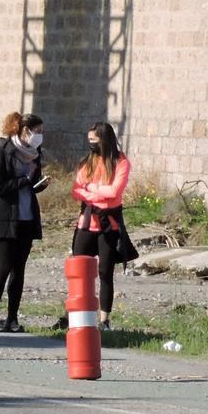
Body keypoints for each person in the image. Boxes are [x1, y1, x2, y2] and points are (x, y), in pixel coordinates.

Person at [0, 111, 47, 333]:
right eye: (38, 131)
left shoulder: (35, 152)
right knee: (4, 266)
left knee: (19, 269)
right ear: (25, 131)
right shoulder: (2, 149)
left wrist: (38, 184)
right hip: (4, 216)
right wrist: (24, 180)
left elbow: (30, 183)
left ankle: (12, 318)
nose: (40, 136)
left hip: (26, 216)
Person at [72, 121, 136, 322]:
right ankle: (74, 315)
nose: (91, 144)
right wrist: (98, 194)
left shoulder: (121, 162)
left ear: (104, 140)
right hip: (86, 223)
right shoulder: (87, 162)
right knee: (79, 271)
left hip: (109, 225)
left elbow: (115, 192)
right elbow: (76, 190)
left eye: (94, 140)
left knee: (105, 272)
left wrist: (90, 189)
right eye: (89, 140)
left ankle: (104, 320)